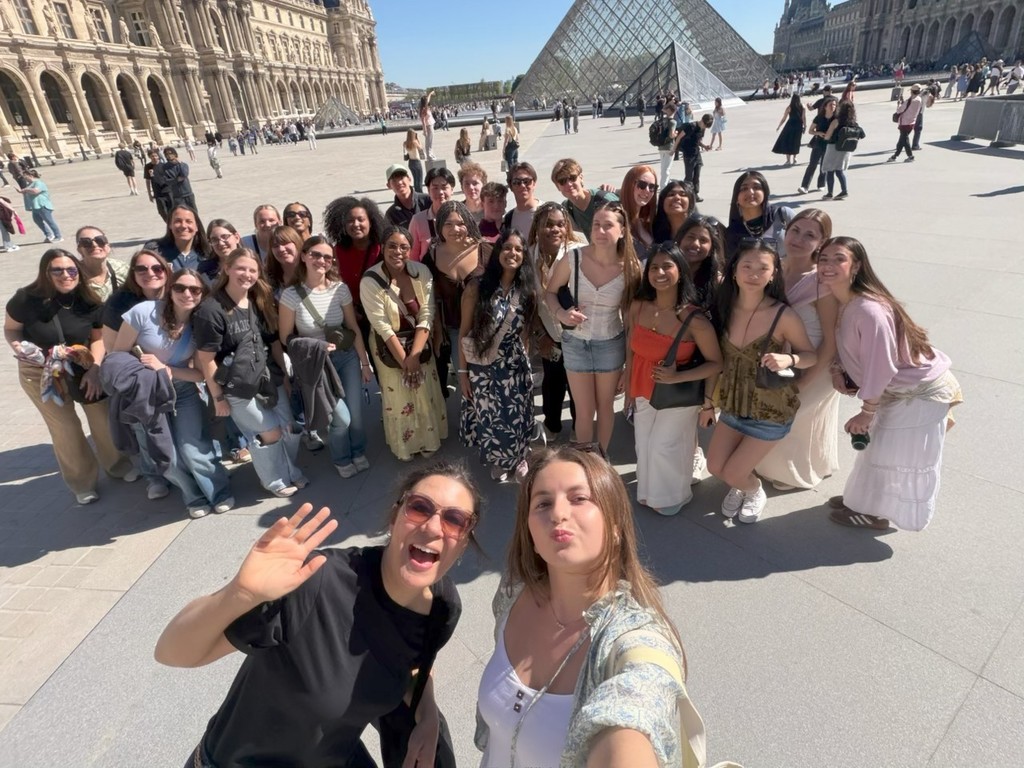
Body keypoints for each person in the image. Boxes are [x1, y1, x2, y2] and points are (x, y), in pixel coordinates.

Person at [156, 463, 481, 768]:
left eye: (455, 520)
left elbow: (414, 665)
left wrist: (427, 715)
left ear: (463, 542)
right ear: (395, 517)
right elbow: (173, 653)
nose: (434, 526)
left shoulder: (442, 607)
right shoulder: (316, 583)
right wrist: (238, 595)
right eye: (420, 507)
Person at [477, 446, 697, 767]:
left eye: (579, 498)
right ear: (531, 536)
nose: (558, 513)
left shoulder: (634, 641)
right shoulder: (513, 593)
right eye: (543, 503)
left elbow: (637, 705)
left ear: (616, 525)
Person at [820, 237, 962, 531]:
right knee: (879, 452)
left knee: (895, 457)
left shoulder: (868, 309)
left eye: (839, 259)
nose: (828, 265)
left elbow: (881, 366)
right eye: (823, 259)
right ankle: (863, 502)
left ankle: (877, 515)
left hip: (918, 396)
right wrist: (837, 369)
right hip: (900, 393)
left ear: (856, 266)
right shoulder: (844, 299)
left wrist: (867, 412)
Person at [4, 249, 135, 505]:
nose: (66, 275)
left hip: (83, 365)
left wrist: (96, 369)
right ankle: (82, 482)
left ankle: (117, 465)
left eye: (71, 270)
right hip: (41, 371)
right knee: (65, 428)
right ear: (46, 272)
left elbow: (98, 338)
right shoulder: (24, 299)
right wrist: (18, 347)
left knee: (101, 416)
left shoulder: (89, 299)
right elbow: (11, 330)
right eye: (58, 270)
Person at [707, 239, 817, 524]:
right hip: (732, 404)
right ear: (734, 271)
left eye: (762, 268)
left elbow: (811, 356)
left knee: (731, 472)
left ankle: (752, 489)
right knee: (715, 466)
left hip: (770, 410)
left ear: (773, 274)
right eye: (747, 266)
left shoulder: (784, 315)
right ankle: (743, 482)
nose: (753, 273)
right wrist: (707, 403)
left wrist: (790, 360)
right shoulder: (723, 308)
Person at [111, 269, 233, 518]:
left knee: (193, 448)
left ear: (202, 294)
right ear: (170, 288)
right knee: (167, 454)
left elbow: (199, 374)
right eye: (180, 288)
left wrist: (167, 370)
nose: (187, 294)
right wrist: (148, 371)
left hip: (182, 390)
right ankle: (193, 496)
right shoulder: (144, 312)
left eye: (195, 289)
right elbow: (118, 357)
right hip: (148, 392)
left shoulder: (201, 323)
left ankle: (218, 492)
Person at [193, 249, 307, 497]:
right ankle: (275, 481)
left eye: (252, 270)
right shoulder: (211, 310)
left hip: (268, 376)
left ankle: (291, 471)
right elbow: (206, 359)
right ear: (227, 269)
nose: (247, 274)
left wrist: (285, 378)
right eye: (241, 268)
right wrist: (218, 397)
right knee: (270, 432)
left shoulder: (259, 300)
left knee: (288, 428)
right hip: (237, 385)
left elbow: (274, 341)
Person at [625, 243, 722, 515]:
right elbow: (631, 347)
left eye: (667, 266)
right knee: (643, 444)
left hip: (679, 395)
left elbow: (717, 363)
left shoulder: (695, 319)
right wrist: (628, 386)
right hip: (643, 386)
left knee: (663, 446)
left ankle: (673, 496)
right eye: (654, 267)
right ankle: (648, 492)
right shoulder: (639, 307)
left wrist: (682, 379)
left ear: (680, 271)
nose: (659, 273)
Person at [544, 201, 641, 452]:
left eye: (608, 226)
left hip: (610, 344)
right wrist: (561, 314)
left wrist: (629, 367)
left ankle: (601, 458)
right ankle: (586, 463)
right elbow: (551, 292)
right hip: (575, 343)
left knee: (605, 406)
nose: (599, 231)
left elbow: (631, 321)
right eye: (596, 224)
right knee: (584, 411)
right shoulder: (574, 258)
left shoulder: (630, 268)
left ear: (622, 230)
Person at [754, 209, 839, 491]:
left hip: (814, 359)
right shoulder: (773, 266)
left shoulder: (822, 282)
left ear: (822, 242)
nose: (799, 239)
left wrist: (807, 379)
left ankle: (793, 471)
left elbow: (831, 339)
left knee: (797, 416)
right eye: (795, 231)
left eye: (810, 235)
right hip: (777, 356)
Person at [279, 236, 373, 478]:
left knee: (357, 415)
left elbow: (353, 327)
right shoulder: (291, 295)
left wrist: (364, 362)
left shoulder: (339, 289)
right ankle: (341, 458)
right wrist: (316, 345)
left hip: (346, 358)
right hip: (317, 364)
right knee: (340, 418)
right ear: (304, 256)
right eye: (316, 255)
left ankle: (358, 451)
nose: (322, 261)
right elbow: (285, 337)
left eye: (327, 257)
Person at [360, 226, 448, 461]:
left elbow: (427, 313)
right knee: (399, 395)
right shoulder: (370, 281)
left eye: (404, 247)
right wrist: (406, 363)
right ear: (382, 247)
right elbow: (381, 326)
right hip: (387, 345)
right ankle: (406, 446)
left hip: (419, 341)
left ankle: (428, 440)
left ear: (410, 250)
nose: (397, 251)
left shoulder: (421, 272)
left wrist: (415, 357)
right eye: (392, 246)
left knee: (424, 391)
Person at [458, 229, 537, 482]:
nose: (512, 253)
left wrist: (524, 365)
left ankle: (520, 457)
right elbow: (464, 332)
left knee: (517, 414)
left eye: (518, 249)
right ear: (498, 252)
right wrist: (462, 373)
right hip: (483, 366)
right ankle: (500, 460)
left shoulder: (527, 292)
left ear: (524, 256)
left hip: (514, 364)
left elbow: (526, 333)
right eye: (507, 248)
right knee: (491, 416)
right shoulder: (477, 287)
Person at [529, 202, 583, 442]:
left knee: (577, 385)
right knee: (553, 382)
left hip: (578, 332)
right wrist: (540, 336)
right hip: (548, 331)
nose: (554, 229)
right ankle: (551, 424)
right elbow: (528, 302)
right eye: (548, 224)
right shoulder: (528, 255)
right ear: (538, 225)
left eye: (560, 224)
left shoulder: (579, 251)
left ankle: (578, 426)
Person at [422, 200, 488, 393]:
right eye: (448, 224)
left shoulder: (486, 251)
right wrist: (437, 333)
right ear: (439, 226)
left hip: (485, 329)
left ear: (469, 223)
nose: (455, 229)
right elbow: (429, 297)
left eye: (460, 223)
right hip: (453, 330)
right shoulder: (431, 257)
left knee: (485, 382)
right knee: (465, 382)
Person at [324, 196, 386, 358]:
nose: (356, 224)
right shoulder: (338, 252)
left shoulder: (382, 248)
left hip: (385, 316)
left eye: (361, 219)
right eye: (350, 220)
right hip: (358, 320)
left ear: (371, 222)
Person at [724, 171, 792, 258]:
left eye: (756, 187)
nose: (750, 192)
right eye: (744, 189)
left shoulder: (783, 215)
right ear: (736, 197)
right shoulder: (732, 232)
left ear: (765, 192)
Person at [673, 213, 726, 321]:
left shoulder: (719, 284)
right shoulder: (667, 273)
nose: (695, 244)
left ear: (711, 249)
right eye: (690, 237)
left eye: (703, 241)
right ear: (679, 241)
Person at [551, 158, 619, 242]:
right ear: (557, 187)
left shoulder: (604, 200)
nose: (569, 184)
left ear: (581, 178)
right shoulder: (567, 208)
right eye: (562, 181)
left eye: (572, 178)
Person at [410, 166, 456, 261]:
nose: (440, 192)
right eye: (435, 188)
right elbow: (412, 257)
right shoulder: (418, 220)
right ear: (428, 190)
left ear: (452, 189)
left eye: (444, 187)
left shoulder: (461, 217)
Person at [75, 226, 129, 302]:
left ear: (108, 246)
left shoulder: (121, 268)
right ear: (79, 250)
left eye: (100, 240)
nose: (94, 245)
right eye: (86, 242)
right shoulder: (72, 274)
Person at [146, 205, 206, 272]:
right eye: (178, 221)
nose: (183, 225)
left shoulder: (207, 255)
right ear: (170, 225)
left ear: (197, 227)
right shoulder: (155, 251)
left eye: (189, 221)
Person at [820, 100, 860, 200]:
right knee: (839, 171)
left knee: (829, 170)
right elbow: (862, 134)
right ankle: (844, 190)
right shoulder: (853, 123)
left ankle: (829, 193)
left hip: (833, 147)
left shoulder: (836, 121)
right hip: (846, 149)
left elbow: (828, 136)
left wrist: (823, 136)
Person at [798, 97, 836, 194]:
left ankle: (821, 184)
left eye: (834, 105)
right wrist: (818, 133)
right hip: (818, 143)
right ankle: (804, 186)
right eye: (830, 105)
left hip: (830, 145)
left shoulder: (836, 118)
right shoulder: (819, 117)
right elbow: (810, 131)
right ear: (825, 107)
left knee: (824, 165)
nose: (833, 107)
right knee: (812, 165)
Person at [619, 164, 657, 256]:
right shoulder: (617, 219)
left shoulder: (649, 221)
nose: (647, 190)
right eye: (642, 185)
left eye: (652, 187)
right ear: (629, 184)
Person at [675, 114, 713, 202]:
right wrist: (674, 149)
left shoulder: (702, 129)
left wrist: (704, 146)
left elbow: (698, 140)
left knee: (697, 175)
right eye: (705, 125)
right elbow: (679, 137)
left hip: (697, 154)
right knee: (689, 177)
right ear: (703, 120)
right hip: (688, 154)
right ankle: (687, 195)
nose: (705, 128)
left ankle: (695, 194)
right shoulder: (691, 126)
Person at [19, 169, 62, 243]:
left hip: (42, 205)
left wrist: (26, 190)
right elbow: (28, 192)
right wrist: (23, 191)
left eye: (25, 176)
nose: (24, 178)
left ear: (31, 176)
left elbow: (36, 191)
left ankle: (58, 236)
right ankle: (49, 235)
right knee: (37, 221)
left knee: (49, 221)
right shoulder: (29, 184)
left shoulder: (38, 183)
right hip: (35, 206)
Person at [152, 147, 196, 219]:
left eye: (170, 153)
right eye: (166, 154)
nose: (169, 155)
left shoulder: (183, 164)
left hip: (188, 193)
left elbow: (184, 174)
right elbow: (166, 181)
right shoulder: (165, 167)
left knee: (194, 214)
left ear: (175, 154)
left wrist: (180, 163)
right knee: (182, 216)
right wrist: (177, 179)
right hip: (177, 196)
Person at [384, 163, 431, 229]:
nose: (399, 182)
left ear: (409, 179)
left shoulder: (427, 200)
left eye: (402, 178)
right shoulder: (391, 214)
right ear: (388, 185)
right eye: (394, 180)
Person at [503, 161, 541, 236]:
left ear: (534, 184)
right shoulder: (508, 219)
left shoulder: (548, 212)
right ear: (511, 186)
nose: (522, 186)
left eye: (527, 181)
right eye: (517, 182)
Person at [888, 84, 922, 163]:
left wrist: (901, 104)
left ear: (912, 91)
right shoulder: (919, 99)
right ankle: (894, 156)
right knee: (902, 140)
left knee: (905, 140)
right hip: (912, 121)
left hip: (904, 122)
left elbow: (899, 110)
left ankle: (910, 156)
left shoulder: (910, 100)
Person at [200, 219, 241, 283]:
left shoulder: (251, 263)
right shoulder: (204, 270)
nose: (221, 243)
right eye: (214, 239)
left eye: (225, 237)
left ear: (237, 237)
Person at [772, 93, 805, 165]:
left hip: (790, 125)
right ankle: (795, 158)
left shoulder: (789, 107)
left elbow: (784, 118)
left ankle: (788, 160)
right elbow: (803, 118)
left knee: (788, 141)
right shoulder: (802, 107)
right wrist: (805, 126)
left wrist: (779, 126)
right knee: (796, 142)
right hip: (798, 126)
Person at [419, 89, 436, 160]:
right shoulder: (423, 110)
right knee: (429, 141)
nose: (428, 101)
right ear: (425, 102)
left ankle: (430, 153)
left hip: (431, 125)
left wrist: (431, 93)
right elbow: (423, 121)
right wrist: (424, 130)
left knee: (430, 140)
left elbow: (428, 98)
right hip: (428, 126)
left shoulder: (425, 107)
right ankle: (429, 155)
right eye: (426, 100)